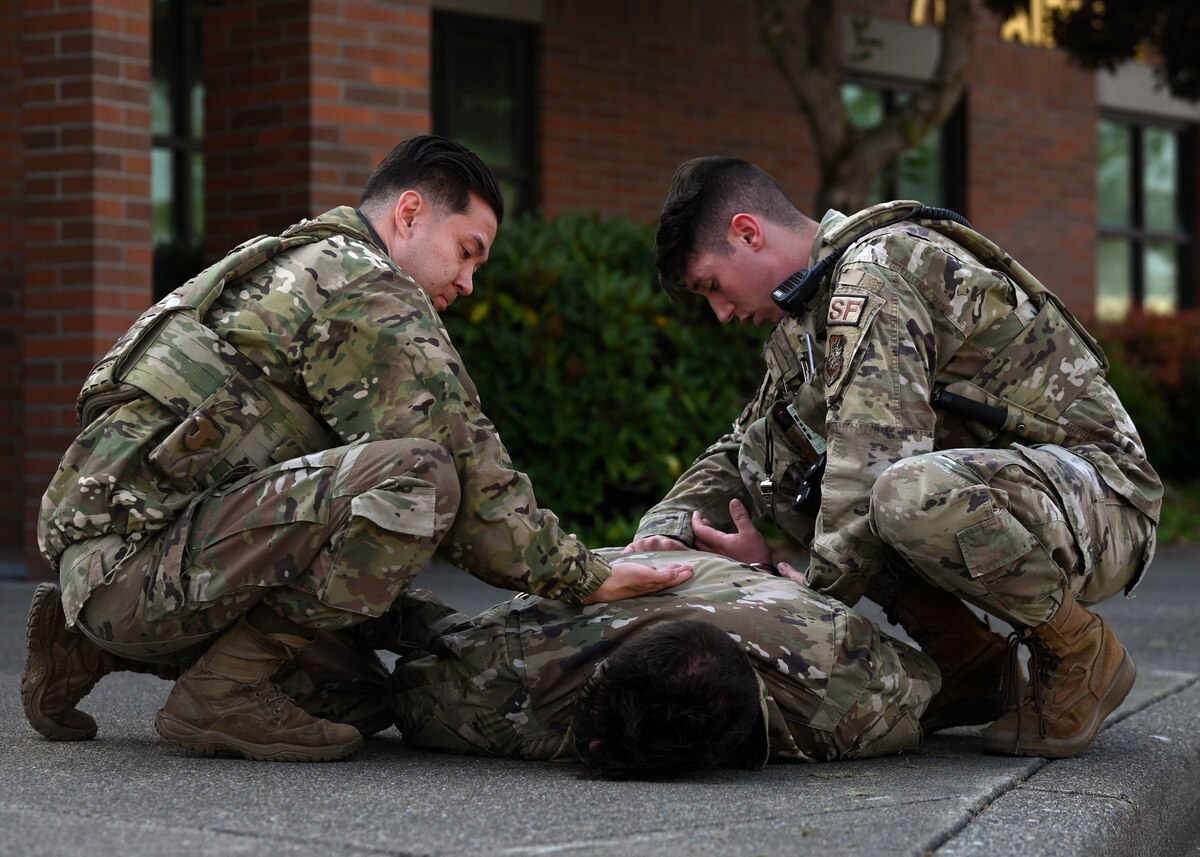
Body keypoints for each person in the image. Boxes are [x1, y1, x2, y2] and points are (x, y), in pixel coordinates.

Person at [21, 136, 692, 763]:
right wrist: (586, 577)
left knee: (360, 698)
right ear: (409, 214)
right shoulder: (359, 284)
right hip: (139, 573)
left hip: (117, 570)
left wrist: (422, 624)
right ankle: (221, 691)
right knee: (420, 479)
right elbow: (462, 464)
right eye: (466, 251)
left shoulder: (301, 261)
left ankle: (83, 644)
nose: (467, 283)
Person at [626, 157, 1161, 759]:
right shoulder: (807, 314)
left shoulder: (875, 271)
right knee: (771, 460)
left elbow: (872, 456)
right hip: (1017, 491)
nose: (721, 314)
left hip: (1104, 498)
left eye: (711, 287)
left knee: (905, 493)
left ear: (747, 233)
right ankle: (970, 664)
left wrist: (806, 609)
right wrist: (662, 534)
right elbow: (741, 445)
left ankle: (1079, 650)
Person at [383, 549, 939, 777]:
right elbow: (924, 678)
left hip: (756, 587)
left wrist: (791, 585)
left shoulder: (838, 697)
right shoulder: (522, 656)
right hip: (629, 571)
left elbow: (408, 692)